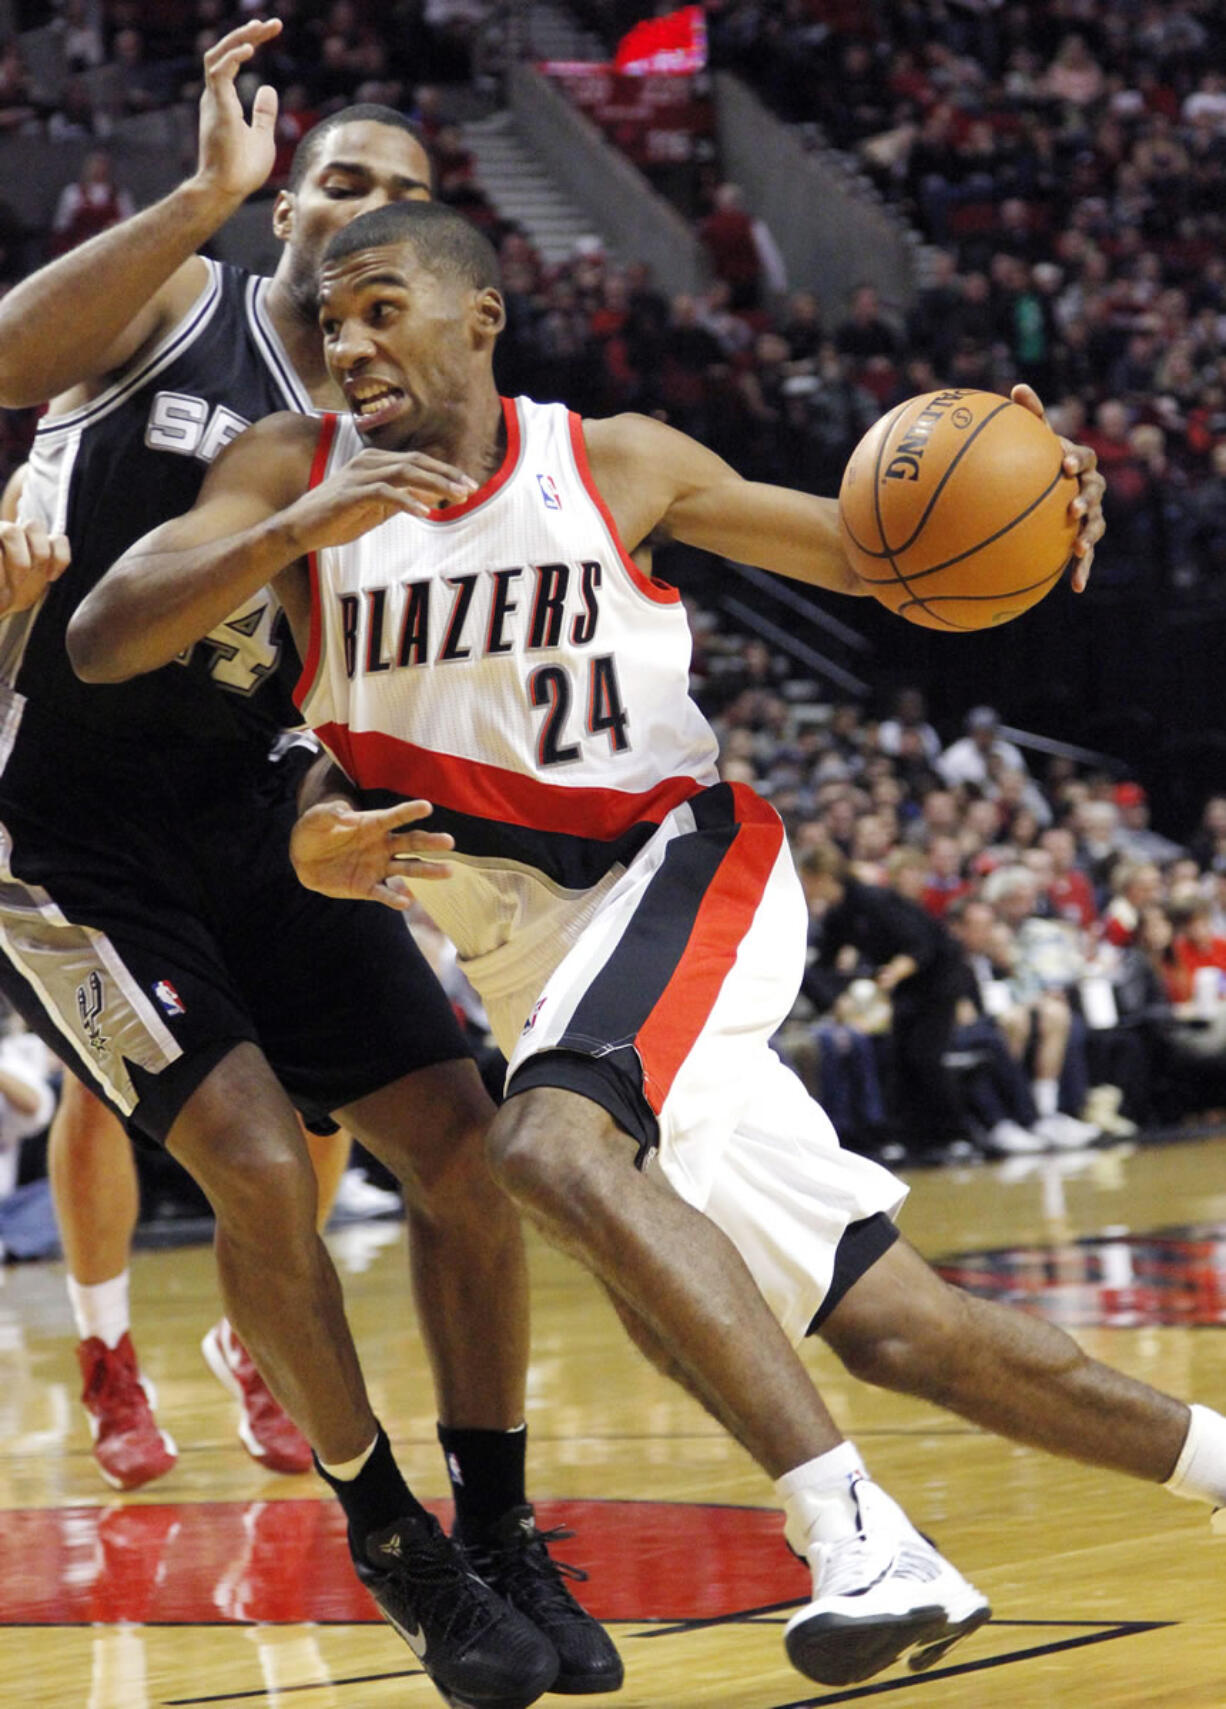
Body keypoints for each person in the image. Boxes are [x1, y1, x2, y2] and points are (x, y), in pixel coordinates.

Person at [75, 198, 1226, 1690]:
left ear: (478, 320)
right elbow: (107, 638)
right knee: (898, 1328)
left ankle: (861, 1537)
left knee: (541, 1149)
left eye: (382, 309)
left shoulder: (611, 461)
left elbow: (885, 556)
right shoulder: (287, 479)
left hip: (682, 869)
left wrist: (1042, 486)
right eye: (332, 321)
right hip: (526, 953)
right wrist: (308, 764)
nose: (349, 343)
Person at [0, 27, 616, 1708]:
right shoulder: (179, 304)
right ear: (289, 202)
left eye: (396, 205)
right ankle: (390, 1534)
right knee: (263, 1165)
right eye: (335, 181)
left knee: (467, 1143)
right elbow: (2, 359)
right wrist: (204, 187)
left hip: (260, 813)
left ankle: (496, 1518)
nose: (356, 219)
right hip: (60, 827)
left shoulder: (418, 435)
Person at [1, 465, 329, 1488]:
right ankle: (109, 1355)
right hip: (76, 826)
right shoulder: (59, 479)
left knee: (326, 1095)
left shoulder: (296, 470)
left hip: (244, 803)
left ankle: (257, 1331)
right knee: (108, 1092)